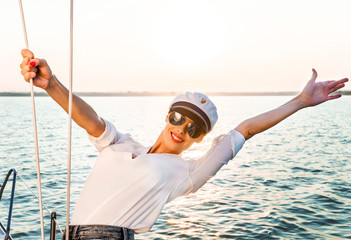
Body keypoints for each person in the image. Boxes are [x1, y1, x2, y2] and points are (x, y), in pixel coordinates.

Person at [20, 49, 348, 240]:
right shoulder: (120, 143)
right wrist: (51, 84)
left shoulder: (187, 172)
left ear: (201, 139)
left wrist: (301, 101)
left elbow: (245, 129)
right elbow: (88, 119)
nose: (183, 129)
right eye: (179, 118)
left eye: (195, 128)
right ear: (168, 116)